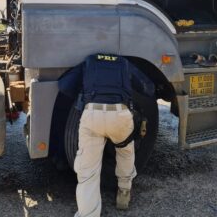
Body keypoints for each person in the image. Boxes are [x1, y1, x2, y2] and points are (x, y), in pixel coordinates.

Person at [57, 54, 155, 217]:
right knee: (125, 152)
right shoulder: (125, 63)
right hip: (120, 116)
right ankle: (124, 193)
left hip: (92, 116)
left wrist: (83, 92)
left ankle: (88, 214)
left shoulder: (89, 61)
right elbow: (148, 88)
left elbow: (63, 85)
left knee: (88, 172)